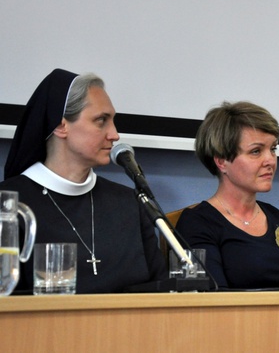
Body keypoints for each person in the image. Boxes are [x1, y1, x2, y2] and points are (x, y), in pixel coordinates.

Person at [1, 69, 167, 293]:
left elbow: (160, 291)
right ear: (61, 126)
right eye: (101, 121)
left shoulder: (130, 203)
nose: (115, 134)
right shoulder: (9, 204)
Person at [175, 101, 279, 289]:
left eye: (273, 149)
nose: (270, 160)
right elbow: (210, 303)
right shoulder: (196, 224)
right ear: (222, 161)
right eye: (256, 151)